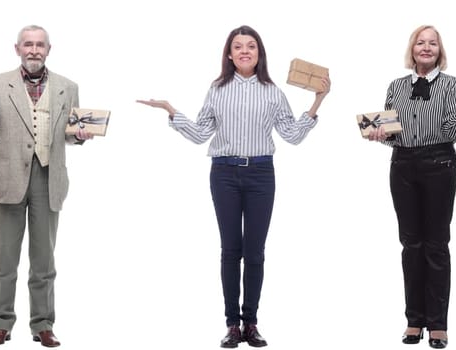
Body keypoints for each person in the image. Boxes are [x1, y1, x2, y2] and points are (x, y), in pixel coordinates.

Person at [136, 25, 329, 349]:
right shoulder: (218, 89)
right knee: (230, 250)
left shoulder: (272, 91)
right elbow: (200, 134)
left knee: (254, 252)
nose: (244, 51)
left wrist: (317, 101)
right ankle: (231, 326)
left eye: (250, 46)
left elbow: (293, 136)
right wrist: (171, 111)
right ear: (229, 54)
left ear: (259, 53)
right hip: (224, 173)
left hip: (261, 174)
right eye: (237, 46)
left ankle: (251, 323)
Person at [0, 24, 91, 348]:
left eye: (40, 45)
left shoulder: (69, 87)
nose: (34, 50)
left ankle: (43, 325)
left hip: (49, 180)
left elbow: (70, 132)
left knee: (44, 261)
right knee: (5, 259)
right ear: (17, 48)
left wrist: (78, 136)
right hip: (10, 180)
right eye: (28, 44)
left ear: (49, 50)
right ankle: (0, 323)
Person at [365, 24, 456, 349]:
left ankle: (438, 325)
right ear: (412, 49)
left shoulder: (452, 85)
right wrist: (379, 135)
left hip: (439, 164)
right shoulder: (396, 86)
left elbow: (453, 130)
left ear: (439, 51)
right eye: (420, 43)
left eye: (432, 43)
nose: (426, 48)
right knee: (410, 245)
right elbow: (393, 134)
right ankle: (414, 320)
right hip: (402, 166)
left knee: (437, 245)